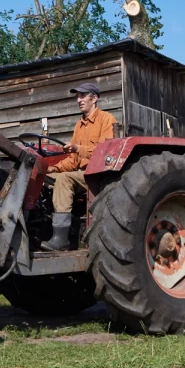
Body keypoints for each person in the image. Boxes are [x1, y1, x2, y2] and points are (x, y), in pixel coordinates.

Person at [41, 82, 117, 251]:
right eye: (77, 96)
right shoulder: (79, 125)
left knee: (64, 179)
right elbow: (73, 160)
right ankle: (39, 228)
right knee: (42, 177)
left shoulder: (106, 120)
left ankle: (61, 238)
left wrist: (78, 148)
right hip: (80, 172)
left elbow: (105, 153)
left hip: (97, 174)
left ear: (94, 98)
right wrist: (54, 168)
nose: (78, 100)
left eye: (82, 96)